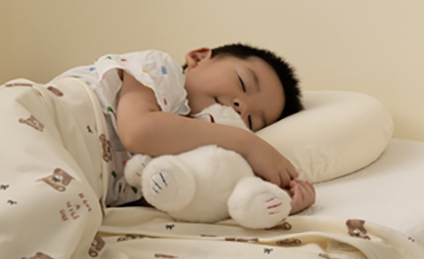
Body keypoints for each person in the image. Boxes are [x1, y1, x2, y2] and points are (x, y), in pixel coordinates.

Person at [60, 44, 316, 213]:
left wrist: (271, 200)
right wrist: (247, 143)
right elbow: (137, 131)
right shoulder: (162, 70)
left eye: (251, 121)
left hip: (69, 185)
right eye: (242, 82)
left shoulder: (195, 152)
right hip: (52, 123)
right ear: (199, 58)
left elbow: (171, 201)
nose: (241, 106)